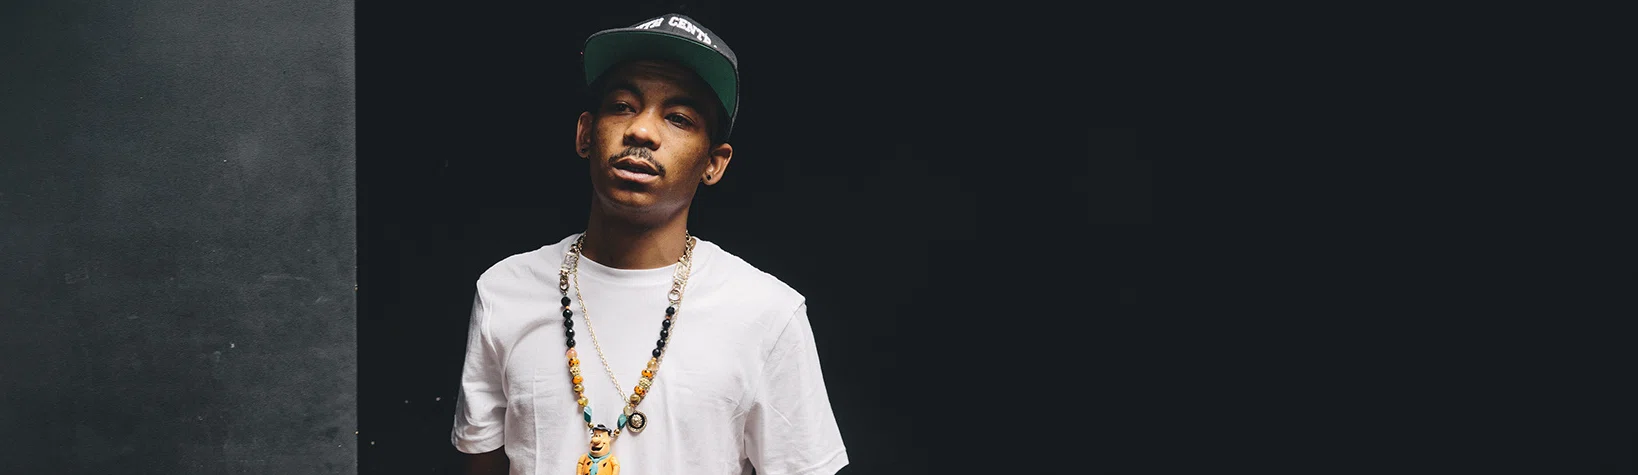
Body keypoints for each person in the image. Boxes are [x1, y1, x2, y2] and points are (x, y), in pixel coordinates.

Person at [450, 13, 849, 475]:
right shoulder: (503, 292)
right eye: (623, 105)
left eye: (678, 118)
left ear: (714, 163)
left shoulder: (768, 313)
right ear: (585, 133)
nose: (641, 130)